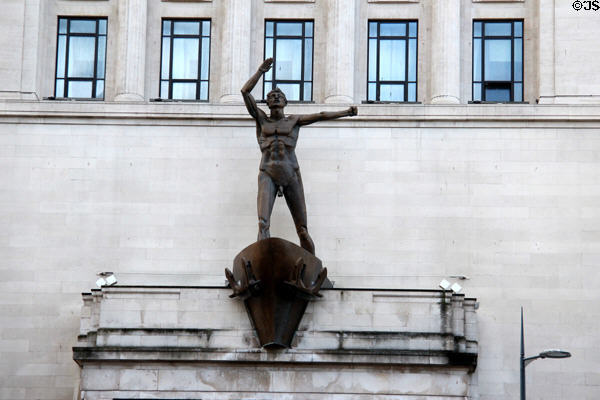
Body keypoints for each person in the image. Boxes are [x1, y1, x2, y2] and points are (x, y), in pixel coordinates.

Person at [241, 58, 357, 255]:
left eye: (279, 95)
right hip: (267, 171)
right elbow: (245, 92)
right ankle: (263, 261)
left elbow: (320, 115)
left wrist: (346, 112)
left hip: (290, 173)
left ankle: (311, 267)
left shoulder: (294, 121)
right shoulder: (261, 119)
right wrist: (261, 70)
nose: (275, 97)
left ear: (286, 102)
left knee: (302, 229)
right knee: (262, 223)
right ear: (267, 102)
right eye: (271, 95)